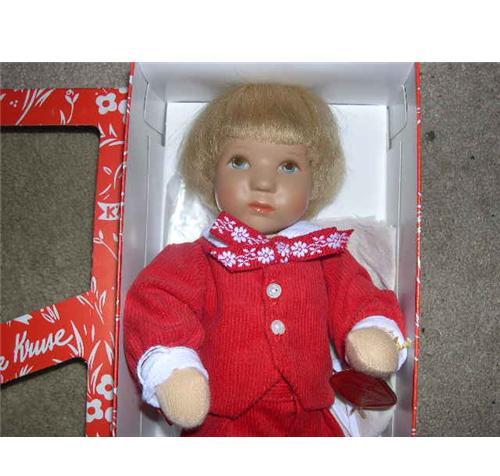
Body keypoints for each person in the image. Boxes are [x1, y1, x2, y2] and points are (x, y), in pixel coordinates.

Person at [124, 83, 407, 436]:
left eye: (288, 166)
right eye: (239, 162)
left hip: (311, 419)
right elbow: (158, 302)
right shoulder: (195, 259)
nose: (262, 182)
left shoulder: (326, 256)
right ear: (211, 172)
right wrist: (174, 368)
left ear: (315, 181)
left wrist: (371, 332)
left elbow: (359, 296)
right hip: (222, 422)